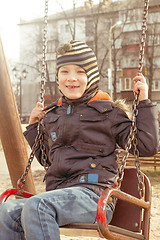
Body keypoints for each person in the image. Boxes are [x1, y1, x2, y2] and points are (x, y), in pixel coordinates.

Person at [0, 40, 159, 240]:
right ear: (57, 77)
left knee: (38, 204)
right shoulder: (53, 115)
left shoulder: (109, 113)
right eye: (64, 72)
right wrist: (33, 127)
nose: (71, 78)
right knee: (5, 213)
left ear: (91, 76)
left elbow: (146, 145)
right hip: (59, 197)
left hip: (94, 197)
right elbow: (48, 160)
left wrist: (143, 102)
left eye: (80, 72)